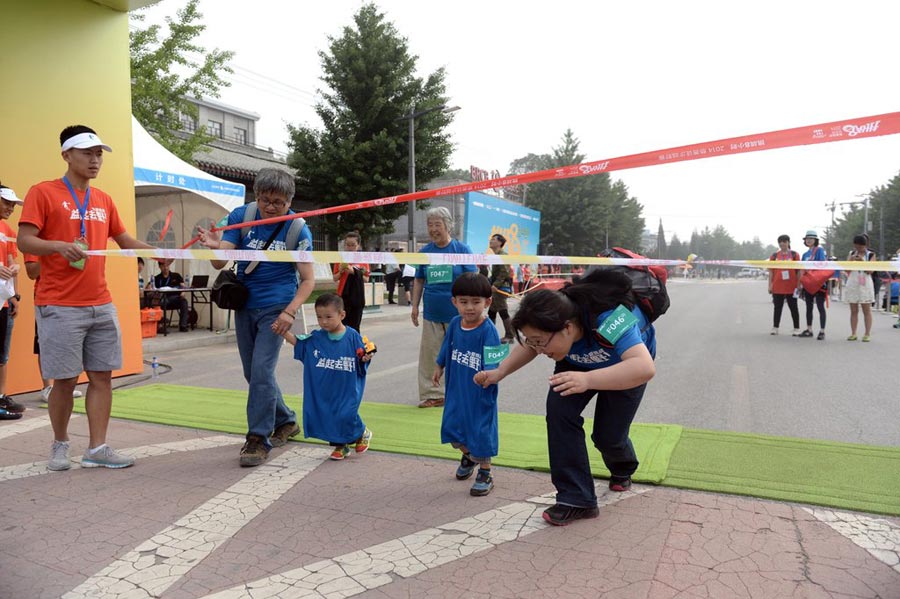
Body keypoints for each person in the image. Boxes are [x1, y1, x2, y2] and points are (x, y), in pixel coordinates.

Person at [17, 124, 156, 470]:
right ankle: (60, 443)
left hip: (101, 303)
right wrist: (58, 246)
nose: (95, 160)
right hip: (59, 304)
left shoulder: (103, 200)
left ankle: (97, 448)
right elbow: (25, 240)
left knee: (102, 377)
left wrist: (164, 251)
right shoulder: (43, 192)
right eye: (87, 153)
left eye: (98, 154)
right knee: (64, 381)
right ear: (66, 155)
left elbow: (125, 241)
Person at [475, 268, 656, 526]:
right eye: (534, 342)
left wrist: (588, 380)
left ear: (568, 328)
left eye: (542, 342)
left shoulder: (609, 318)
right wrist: (500, 372)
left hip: (623, 367)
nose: (539, 349)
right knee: (559, 413)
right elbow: (531, 344)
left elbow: (644, 367)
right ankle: (576, 498)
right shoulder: (554, 322)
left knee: (608, 437)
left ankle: (622, 468)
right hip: (575, 363)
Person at [197, 168, 315, 467]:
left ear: (290, 201)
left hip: (277, 307)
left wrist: (289, 312)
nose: (270, 207)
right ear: (257, 196)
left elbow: (308, 280)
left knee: (262, 371)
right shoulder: (242, 216)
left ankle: (258, 438)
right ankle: (286, 420)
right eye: (265, 200)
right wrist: (213, 247)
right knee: (253, 373)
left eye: (278, 202)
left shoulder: (298, 230)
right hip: (245, 305)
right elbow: (221, 261)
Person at [274, 293, 373, 461]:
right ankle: (341, 446)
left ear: (342, 315)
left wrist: (365, 358)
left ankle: (362, 432)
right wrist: (283, 332)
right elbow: (300, 344)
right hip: (325, 389)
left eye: (328, 317)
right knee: (329, 415)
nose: (324, 321)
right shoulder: (316, 338)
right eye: (319, 317)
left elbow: (363, 355)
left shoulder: (353, 336)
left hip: (347, 388)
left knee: (346, 414)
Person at [431, 273, 500, 496]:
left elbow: (494, 360)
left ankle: (485, 472)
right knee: (451, 428)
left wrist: (487, 374)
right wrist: (439, 365)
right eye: (463, 302)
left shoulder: (489, 330)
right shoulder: (454, 323)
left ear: (487, 302)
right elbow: (446, 346)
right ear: (454, 302)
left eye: (476, 302)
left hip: (480, 393)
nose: (469, 307)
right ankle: (470, 456)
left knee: (480, 431)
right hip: (456, 390)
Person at [410, 206, 477, 408]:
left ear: (448, 225)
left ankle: (465, 392)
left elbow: (472, 279)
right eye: (430, 225)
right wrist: (415, 306)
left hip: (459, 314)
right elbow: (419, 280)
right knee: (430, 355)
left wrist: (472, 307)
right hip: (432, 312)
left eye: (437, 225)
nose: (433, 229)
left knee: (461, 355)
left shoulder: (462, 250)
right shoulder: (425, 252)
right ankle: (434, 394)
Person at [23, 254, 84, 403]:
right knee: (45, 342)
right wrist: (55, 255)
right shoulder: (38, 244)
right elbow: (32, 272)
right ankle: (47, 387)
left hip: (71, 294)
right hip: (47, 297)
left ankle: (64, 385)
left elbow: (78, 265)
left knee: (68, 342)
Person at [0, 185, 24, 419]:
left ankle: (1, 397)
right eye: (6, 202)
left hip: (4, 301)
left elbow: (11, 262)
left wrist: (16, 295)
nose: (11, 208)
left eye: (13, 204)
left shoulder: (7, 230)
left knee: (2, 354)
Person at [332, 231, 368, 333]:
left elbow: (366, 279)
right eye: (347, 245)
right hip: (343, 295)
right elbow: (335, 278)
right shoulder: (340, 258)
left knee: (355, 325)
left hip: (357, 295)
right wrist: (341, 271)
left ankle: (354, 342)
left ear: (358, 245)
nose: (350, 248)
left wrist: (354, 272)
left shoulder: (363, 259)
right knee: (341, 324)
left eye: (353, 245)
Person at [797, 230, 828, 340]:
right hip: (808, 283)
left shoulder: (819, 250)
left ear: (815, 240)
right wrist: (800, 283)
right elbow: (801, 269)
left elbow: (822, 265)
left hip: (818, 283)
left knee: (820, 307)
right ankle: (809, 329)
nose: (809, 240)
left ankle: (822, 331)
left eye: (811, 238)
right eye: (807, 238)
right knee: (808, 307)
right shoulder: (805, 254)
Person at [844, 234, 875, 342]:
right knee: (853, 310)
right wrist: (851, 260)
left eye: (861, 246)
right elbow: (846, 270)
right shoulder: (851, 253)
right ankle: (853, 333)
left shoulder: (871, 254)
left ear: (865, 245)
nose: (859, 248)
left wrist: (862, 261)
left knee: (866, 310)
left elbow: (871, 271)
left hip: (865, 283)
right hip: (853, 282)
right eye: (856, 246)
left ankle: (867, 333)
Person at [767, 234, 800, 336]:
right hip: (778, 286)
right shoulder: (774, 256)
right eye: (780, 242)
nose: (782, 244)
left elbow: (799, 271)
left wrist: (799, 284)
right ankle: (775, 327)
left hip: (792, 286)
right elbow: (771, 272)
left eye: (784, 242)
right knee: (777, 307)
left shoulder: (795, 255)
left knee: (793, 307)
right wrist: (770, 285)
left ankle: (796, 328)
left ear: (788, 242)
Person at [486, 233, 515, 342]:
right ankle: (491, 335)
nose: (491, 241)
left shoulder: (503, 255)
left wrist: (495, 285)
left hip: (501, 288)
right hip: (496, 288)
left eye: (493, 239)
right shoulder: (496, 255)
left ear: (500, 243)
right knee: (491, 312)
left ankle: (510, 336)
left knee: (503, 311)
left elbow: (504, 272)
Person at [151, 258, 190, 332]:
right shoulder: (157, 278)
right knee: (157, 302)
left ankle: (183, 325)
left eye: (167, 266)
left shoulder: (176, 275)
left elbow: (183, 286)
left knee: (184, 301)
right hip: (163, 299)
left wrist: (183, 292)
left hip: (176, 299)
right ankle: (161, 325)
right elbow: (149, 287)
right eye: (163, 266)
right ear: (160, 267)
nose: (165, 268)